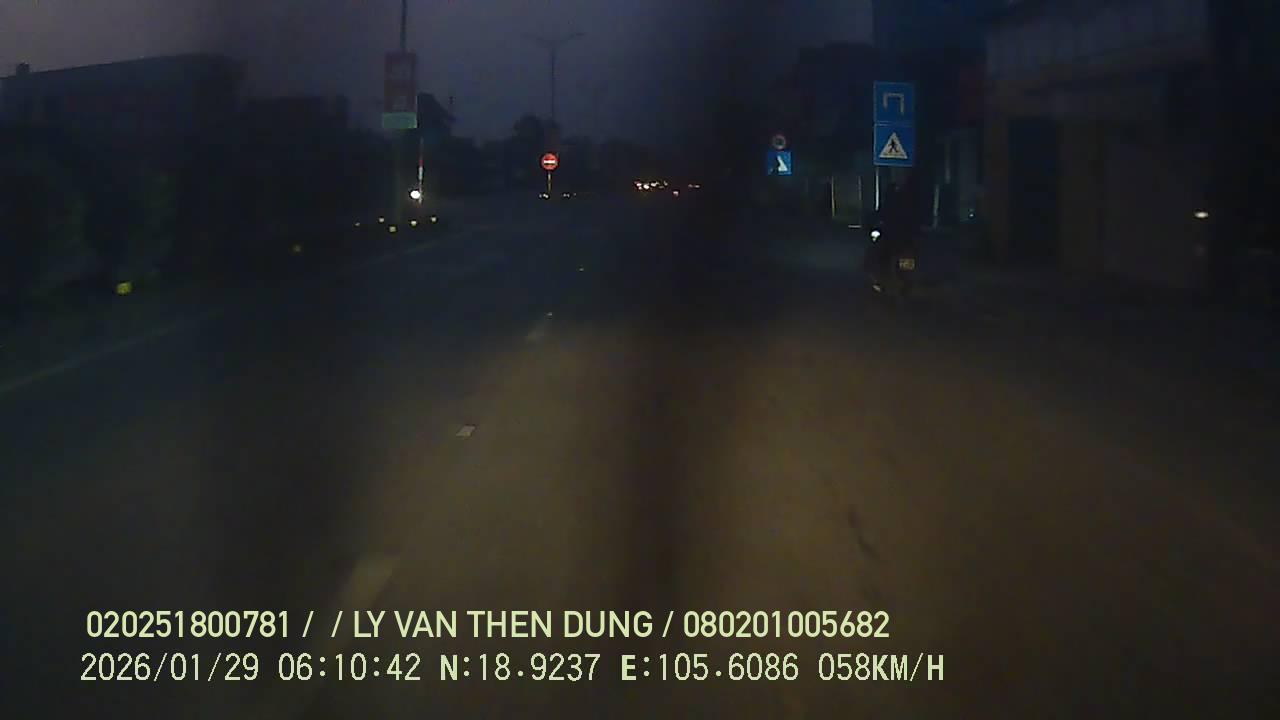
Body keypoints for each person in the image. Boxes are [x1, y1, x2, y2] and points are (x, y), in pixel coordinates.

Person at [866, 176, 916, 292]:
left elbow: (877, 217)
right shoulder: (907, 205)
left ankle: (880, 281)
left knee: (874, 256)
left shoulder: (890, 205)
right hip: (903, 239)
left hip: (894, 239)